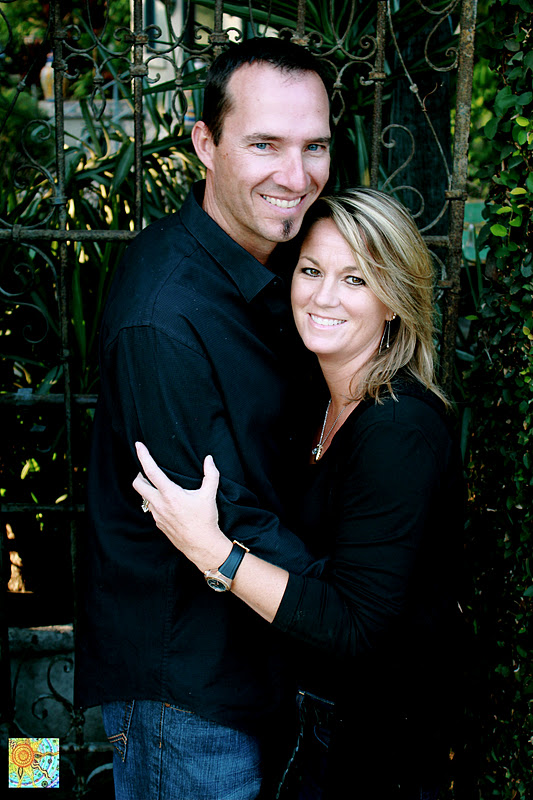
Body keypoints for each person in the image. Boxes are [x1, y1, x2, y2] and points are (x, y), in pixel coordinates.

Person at [133, 189, 465, 800]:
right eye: (311, 271)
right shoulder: (321, 404)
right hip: (316, 730)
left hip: (375, 756)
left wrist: (213, 553)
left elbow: (356, 624)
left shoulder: (399, 430)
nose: (323, 296)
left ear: (394, 301)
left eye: (355, 279)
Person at [74, 38, 332, 800]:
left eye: (313, 146)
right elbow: (224, 514)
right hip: (185, 694)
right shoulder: (165, 316)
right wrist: (357, 605)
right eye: (264, 145)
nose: (296, 176)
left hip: (253, 663)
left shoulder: (276, 263)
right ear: (204, 144)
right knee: (38, 772)